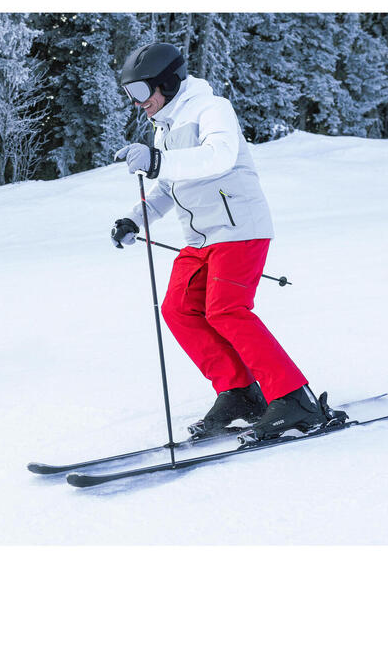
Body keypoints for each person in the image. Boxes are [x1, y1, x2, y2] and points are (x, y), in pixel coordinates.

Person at [111, 42, 328, 442]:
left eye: (142, 92)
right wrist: (133, 218)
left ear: (169, 83)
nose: (138, 103)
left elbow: (219, 156)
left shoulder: (212, 109)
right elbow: (167, 187)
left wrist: (157, 161)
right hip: (200, 238)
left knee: (226, 310)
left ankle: (294, 398)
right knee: (178, 308)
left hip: (239, 229)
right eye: (131, 94)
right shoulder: (166, 127)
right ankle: (240, 393)